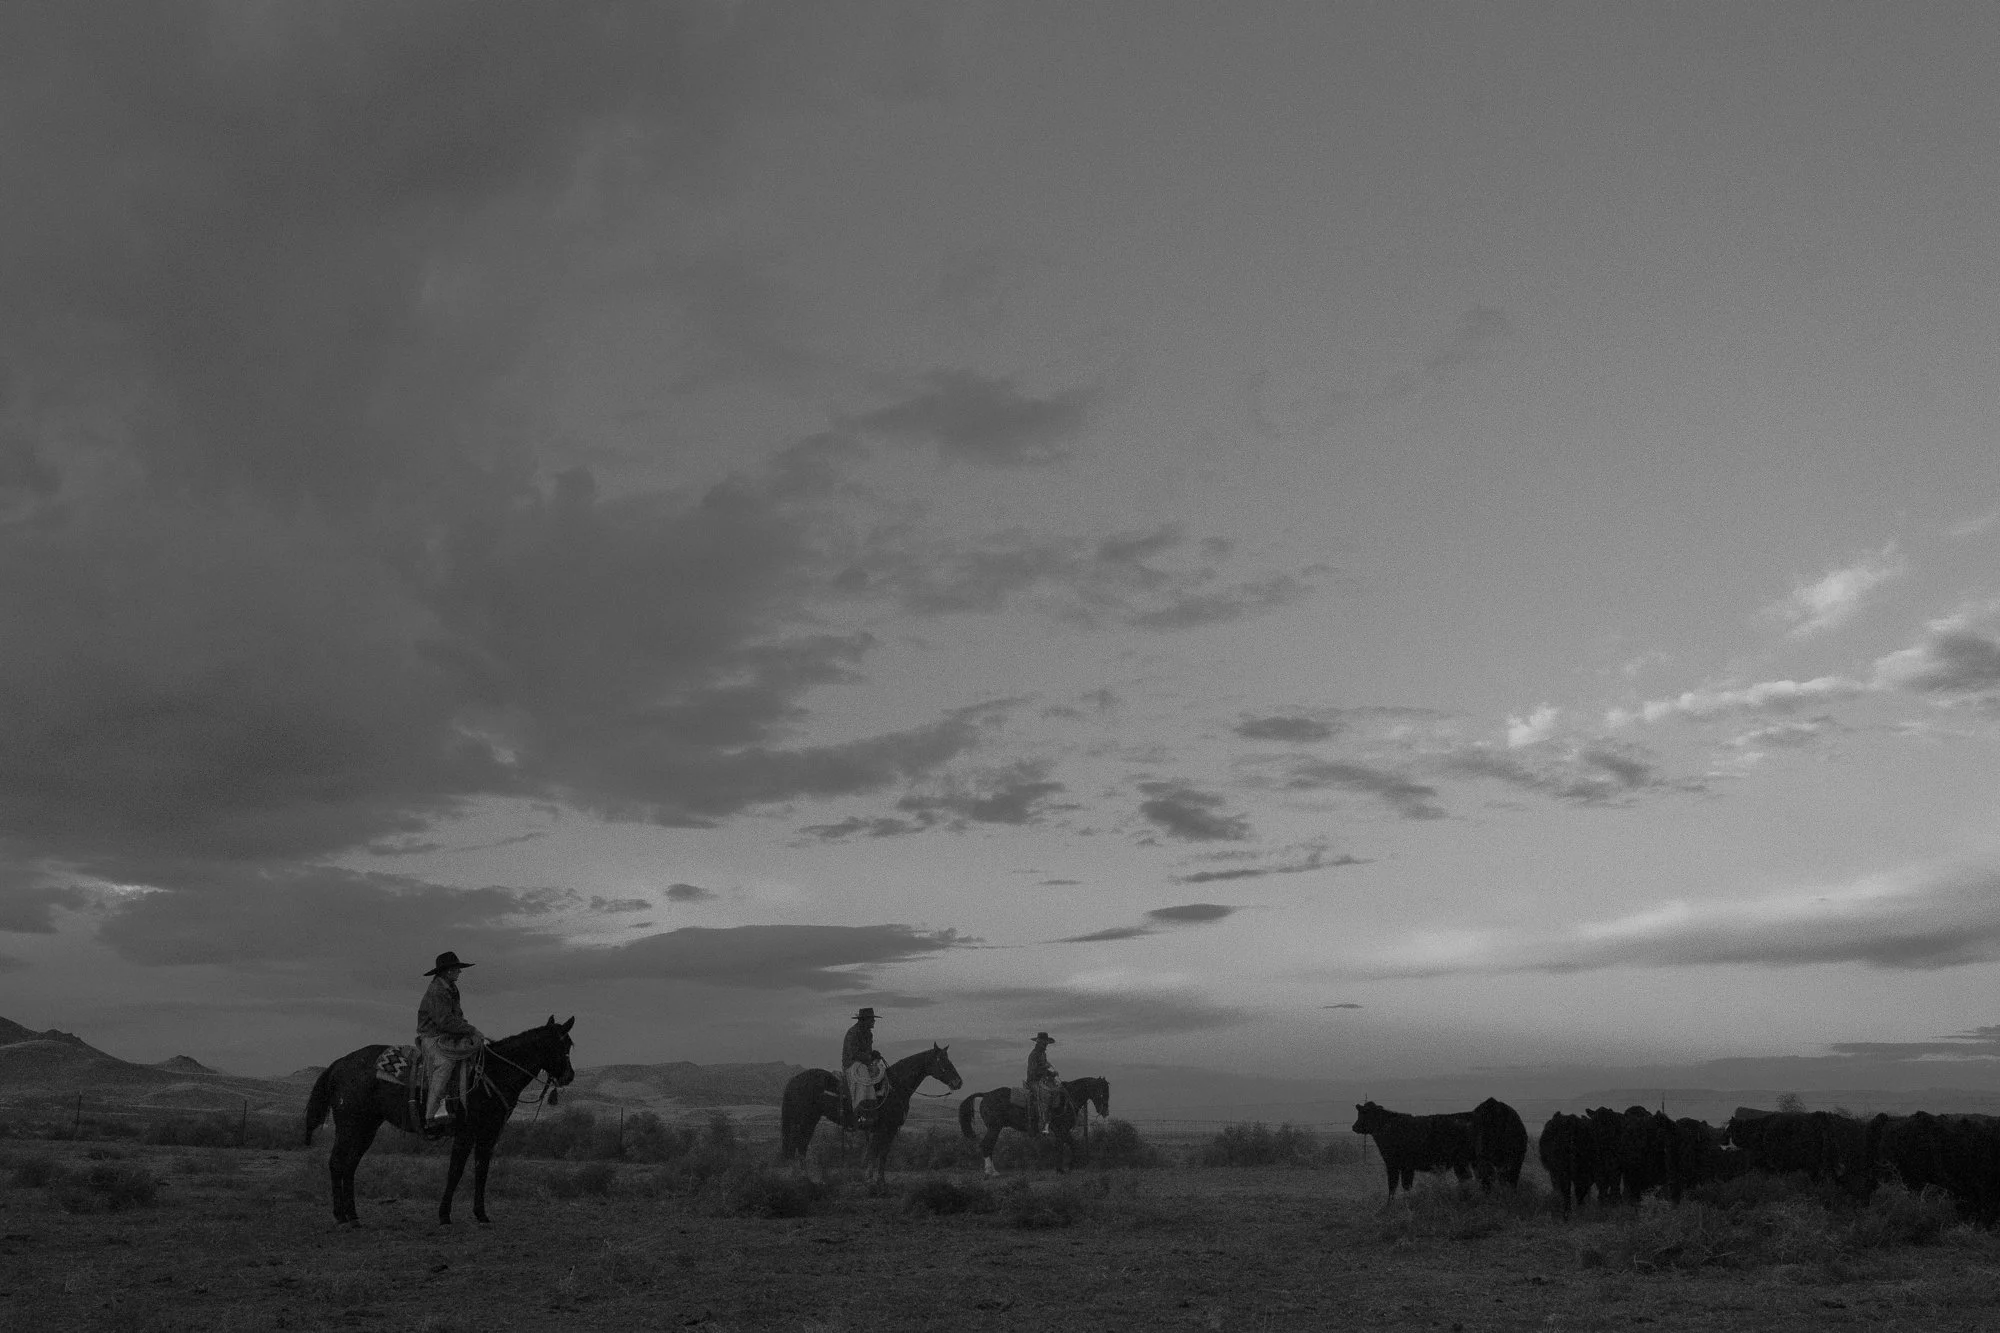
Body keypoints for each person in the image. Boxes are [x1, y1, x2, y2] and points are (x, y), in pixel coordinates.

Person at [417, 951, 484, 1129]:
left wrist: (468, 1031)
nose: (459, 972)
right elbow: (444, 1021)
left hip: (449, 1035)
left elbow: (457, 1017)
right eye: (457, 969)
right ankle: (431, 1115)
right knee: (445, 1064)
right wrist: (471, 1030)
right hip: (433, 1037)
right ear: (447, 971)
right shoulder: (437, 991)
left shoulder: (452, 989)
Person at [841, 1006, 885, 1127]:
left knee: (880, 1072)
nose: (873, 1022)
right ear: (864, 1020)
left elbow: (867, 1052)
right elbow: (853, 1053)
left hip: (864, 1062)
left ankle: (876, 1104)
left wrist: (873, 1054)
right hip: (852, 1064)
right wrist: (869, 1057)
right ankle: (860, 1111)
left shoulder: (868, 1034)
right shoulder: (853, 1032)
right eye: (872, 1020)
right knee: (864, 1074)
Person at [1025, 1031, 1061, 1135]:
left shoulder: (1042, 1054)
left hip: (1042, 1080)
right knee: (1046, 1095)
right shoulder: (1033, 1055)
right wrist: (1047, 1071)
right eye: (1044, 1043)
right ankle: (1042, 1123)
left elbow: (1044, 1069)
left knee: (1057, 1091)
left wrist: (1051, 1074)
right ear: (1039, 1043)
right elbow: (1033, 1071)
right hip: (1033, 1081)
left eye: (1046, 1044)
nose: (1046, 1046)